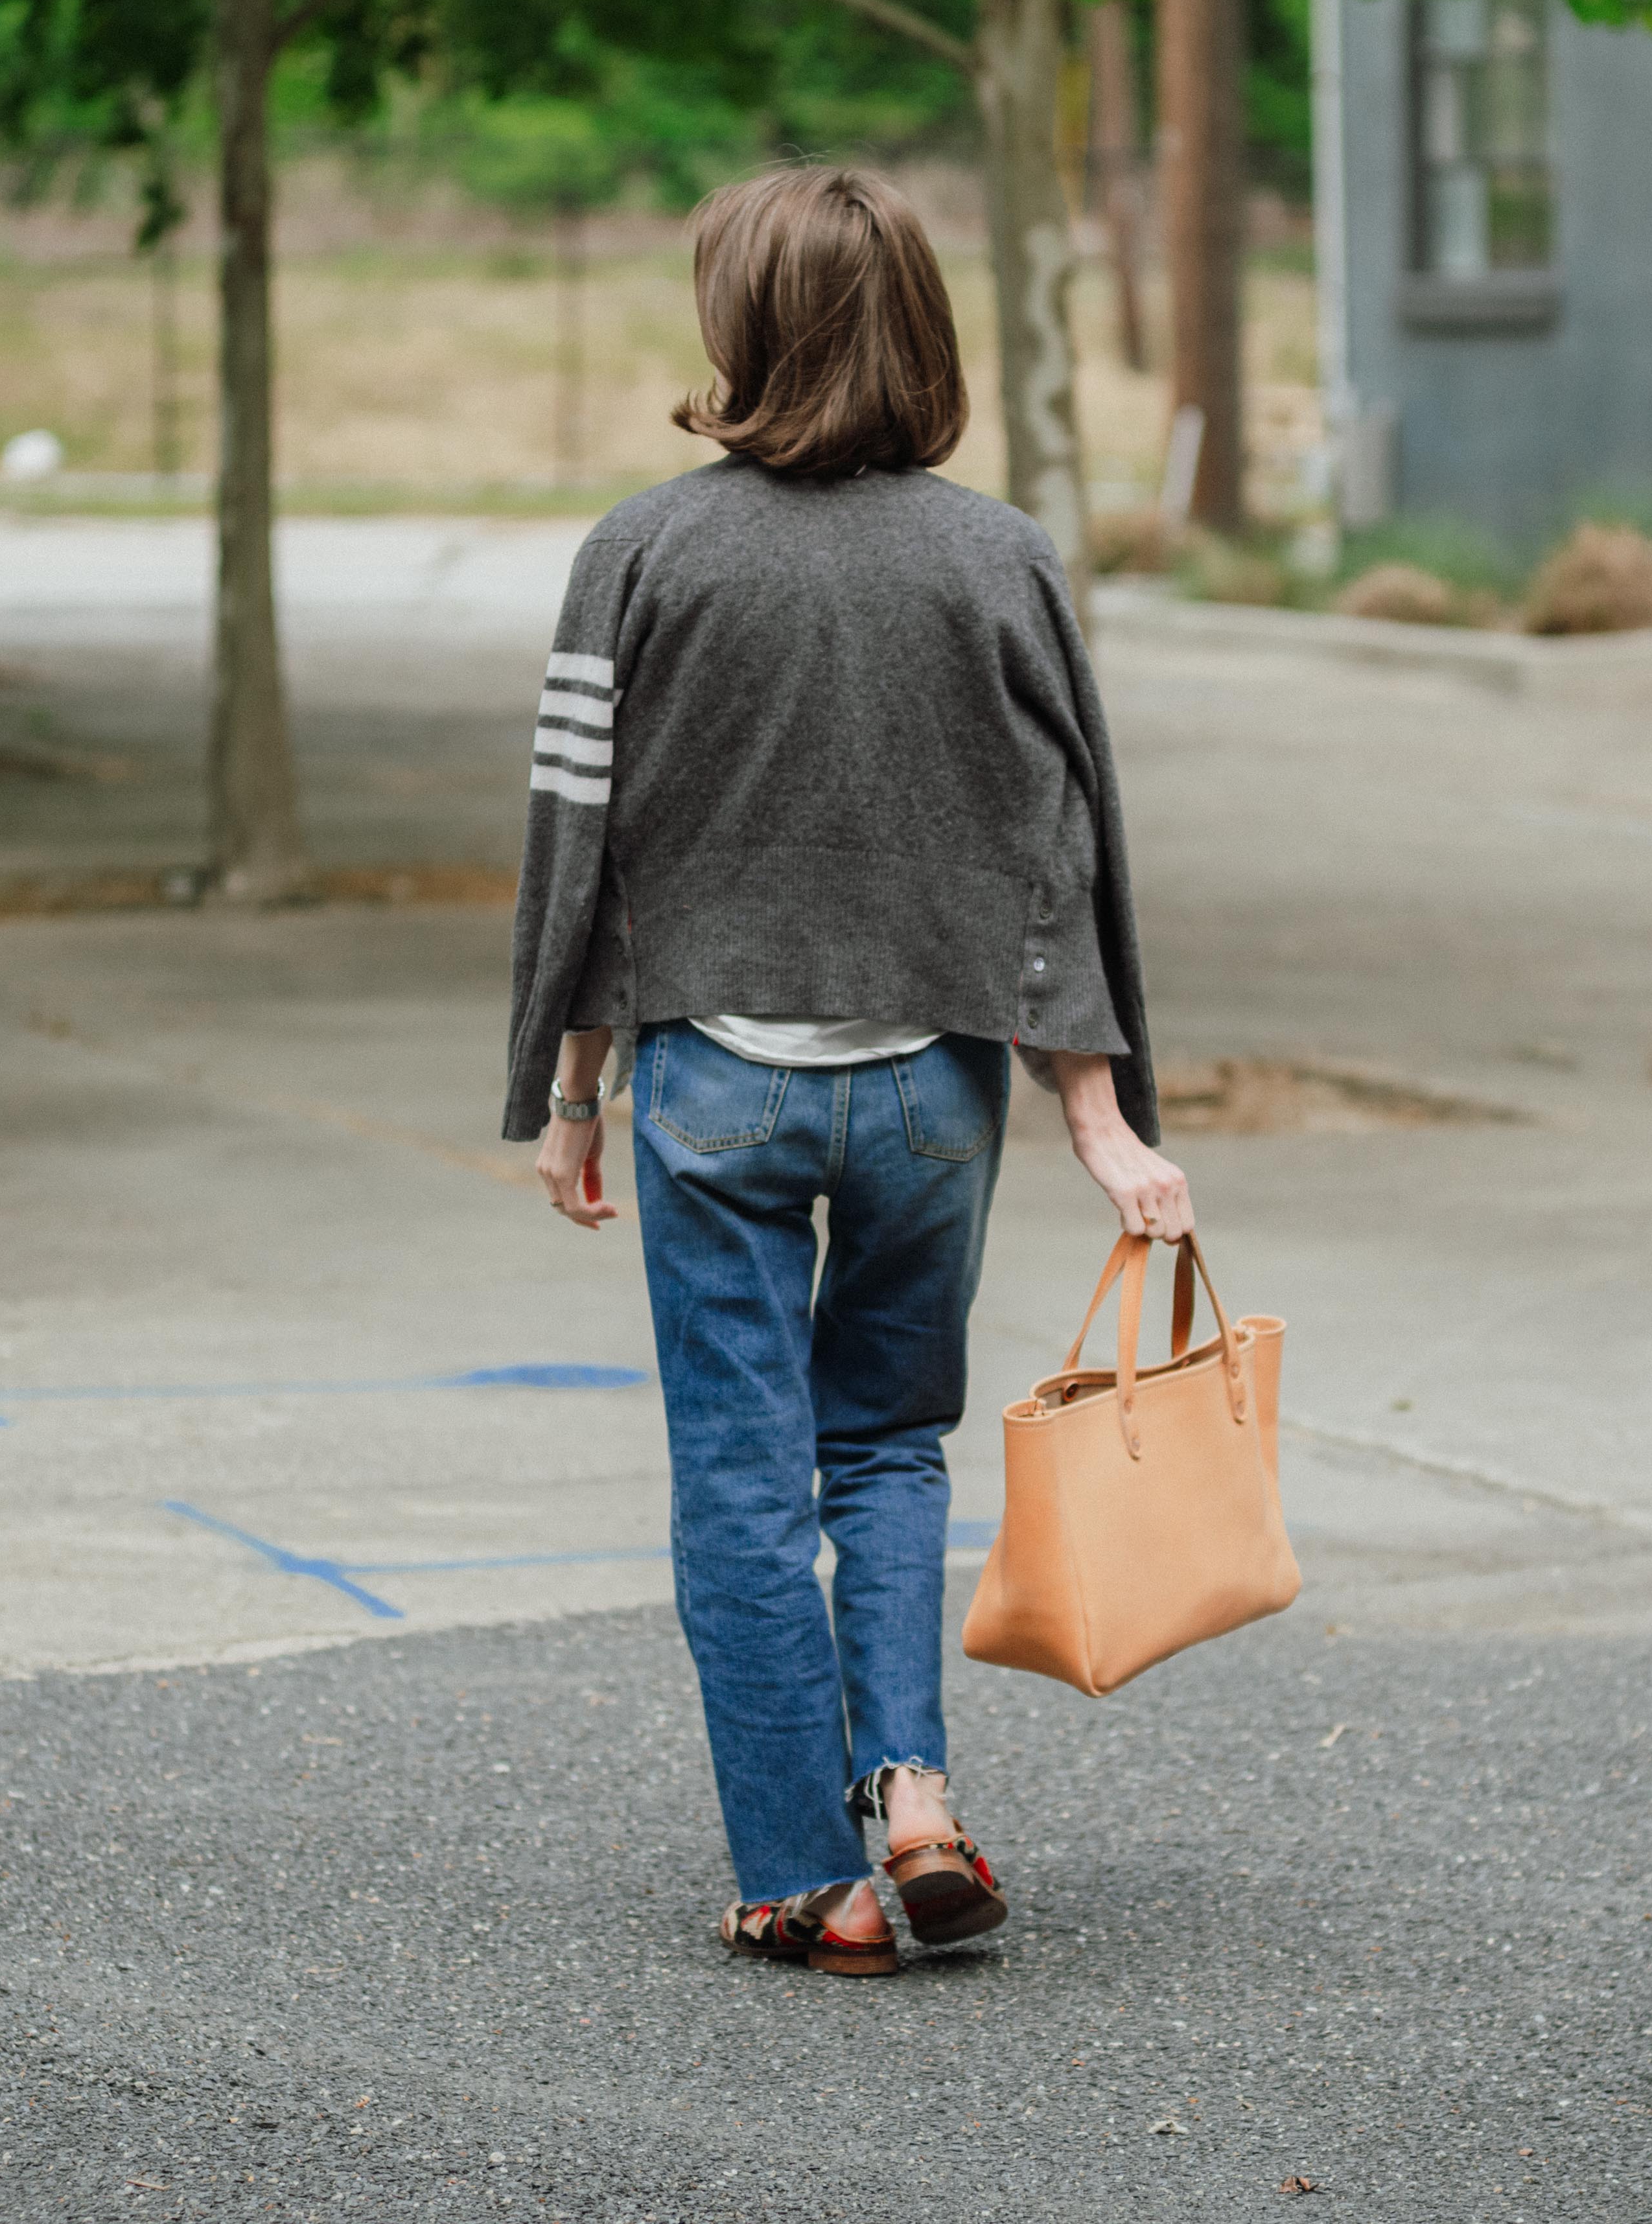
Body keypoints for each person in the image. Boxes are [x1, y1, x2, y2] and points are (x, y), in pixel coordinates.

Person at [504, 165, 1191, 1977]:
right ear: (918, 327)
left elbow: (581, 848)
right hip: (930, 1093)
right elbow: (1062, 851)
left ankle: (805, 1884)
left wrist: (569, 1093)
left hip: (712, 1082)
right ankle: (915, 1797)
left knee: (741, 1478)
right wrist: (1100, 1113)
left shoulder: (642, 552)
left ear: (742, 324)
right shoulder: (1000, 559)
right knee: (887, 1443)